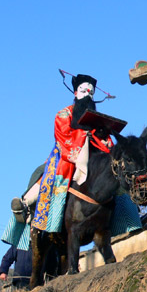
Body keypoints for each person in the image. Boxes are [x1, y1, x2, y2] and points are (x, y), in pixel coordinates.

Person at [30, 73, 113, 234]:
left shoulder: (97, 119)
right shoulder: (64, 114)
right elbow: (63, 137)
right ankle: (42, 216)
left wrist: (106, 143)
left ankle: (129, 219)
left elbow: (108, 142)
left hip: (96, 157)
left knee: (115, 173)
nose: (87, 96)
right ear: (75, 93)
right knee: (58, 174)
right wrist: (85, 137)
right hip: (68, 155)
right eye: (83, 91)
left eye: (90, 93)